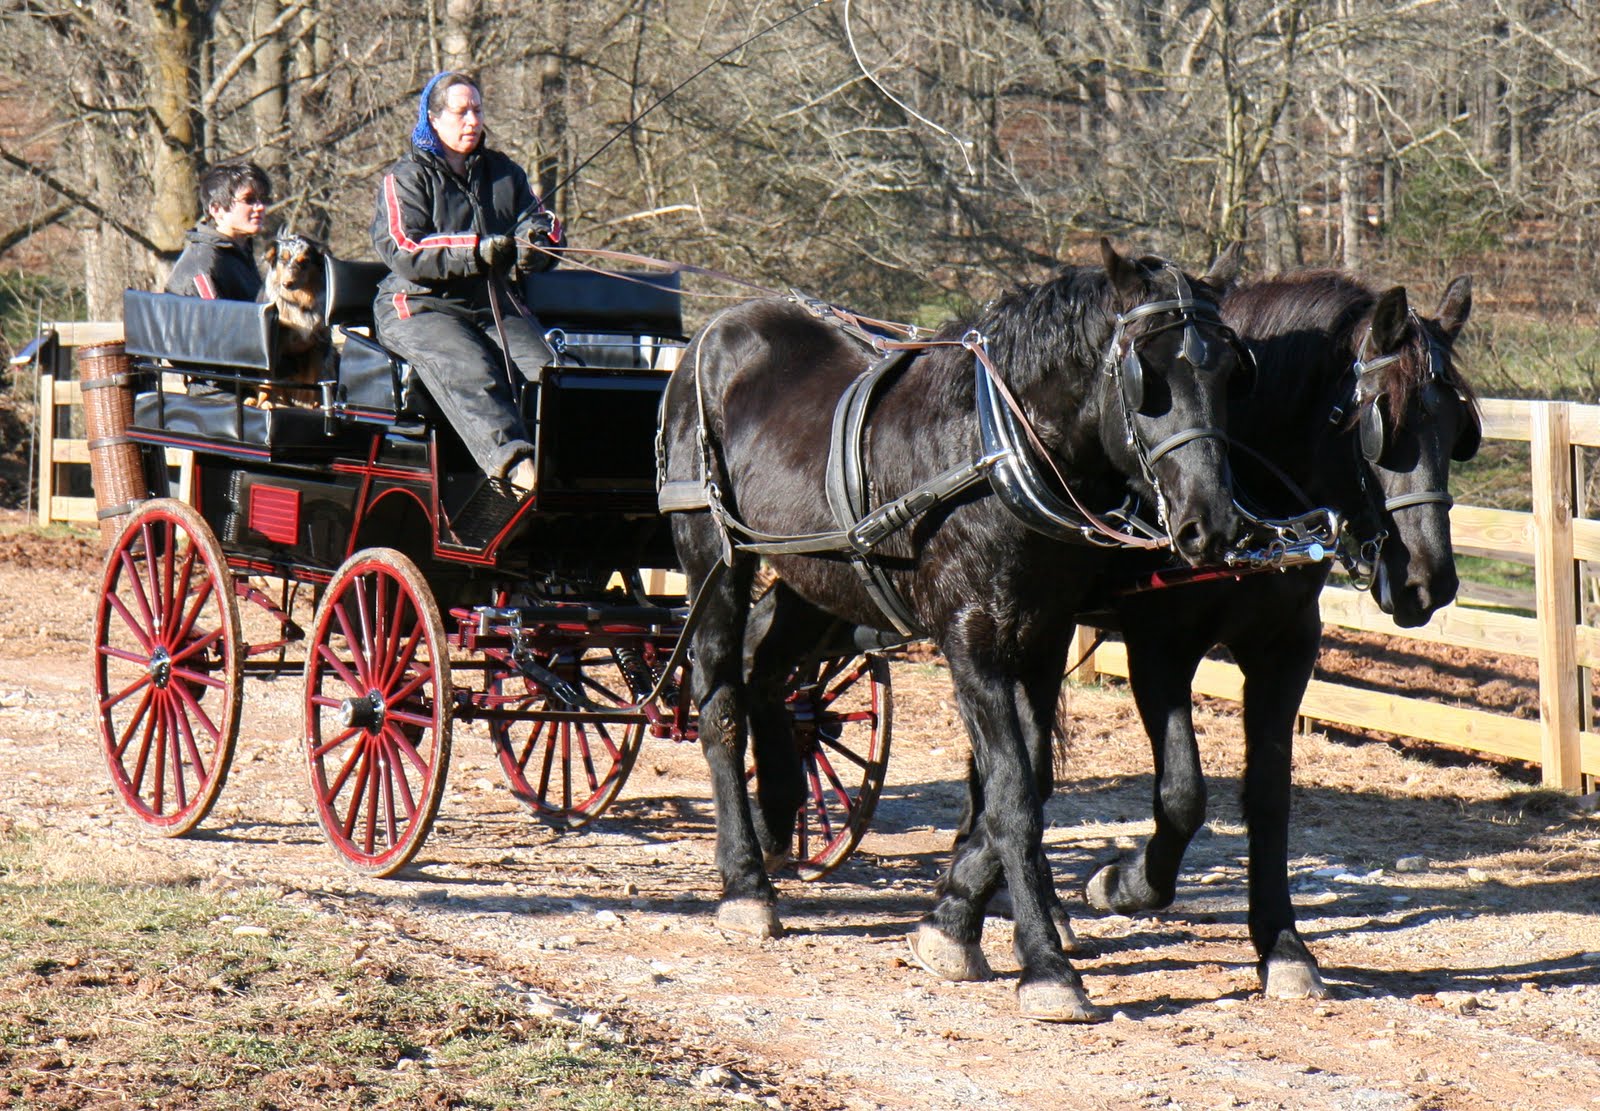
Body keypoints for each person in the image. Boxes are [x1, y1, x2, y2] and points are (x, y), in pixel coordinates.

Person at [370, 71, 564, 492]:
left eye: (477, 110)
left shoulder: (505, 172)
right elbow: (405, 247)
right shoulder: (405, 177)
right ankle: (518, 471)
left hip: (491, 303)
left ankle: (572, 470)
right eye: (461, 112)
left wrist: (536, 243)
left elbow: (538, 222)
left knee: (554, 376)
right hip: (419, 306)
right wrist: (477, 250)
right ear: (433, 119)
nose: (472, 120)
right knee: (473, 371)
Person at [166, 160, 271, 300]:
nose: (260, 207)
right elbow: (216, 320)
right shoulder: (204, 264)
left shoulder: (237, 252)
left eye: (263, 199)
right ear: (216, 209)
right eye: (249, 200)